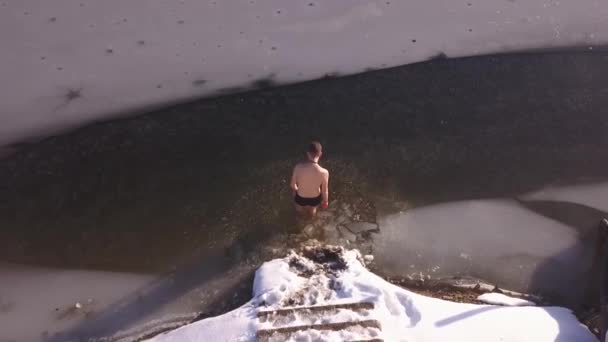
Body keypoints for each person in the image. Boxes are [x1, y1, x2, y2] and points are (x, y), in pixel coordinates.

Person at [290, 141, 329, 218]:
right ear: (320, 154)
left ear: (308, 153)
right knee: (313, 210)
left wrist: (295, 192)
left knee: (299, 209)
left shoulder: (298, 167)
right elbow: (325, 190)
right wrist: (325, 202)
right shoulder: (324, 172)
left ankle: (300, 220)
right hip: (315, 198)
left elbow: (292, 185)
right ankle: (311, 221)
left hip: (301, 197)